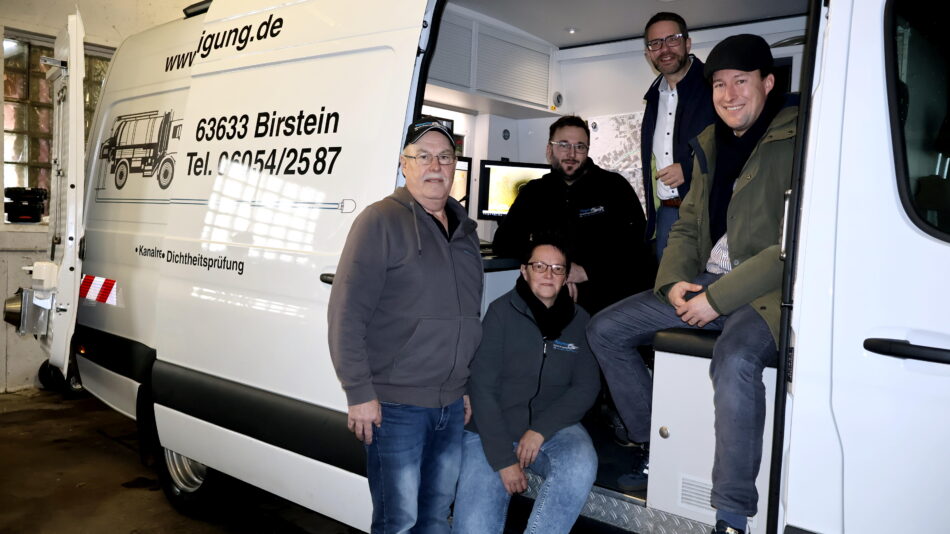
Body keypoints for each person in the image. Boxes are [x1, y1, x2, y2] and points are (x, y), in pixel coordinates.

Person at [588, 34, 798, 534]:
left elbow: (792, 243)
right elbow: (685, 226)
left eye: (741, 81)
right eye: (720, 84)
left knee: (737, 359)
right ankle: (651, 442)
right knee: (605, 330)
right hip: (709, 279)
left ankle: (731, 515)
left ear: (768, 83)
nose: (729, 95)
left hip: (764, 292)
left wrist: (715, 300)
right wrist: (674, 284)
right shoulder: (708, 143)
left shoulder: (800, 138)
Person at [327, 116, 483, 534]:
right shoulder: (379, 221)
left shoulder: (466, 232)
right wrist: (359, 392)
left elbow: (466, 318)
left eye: (445, 157)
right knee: (399, 523)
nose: (435, 166)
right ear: (404, 164)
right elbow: (346, 313)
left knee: (435, 517)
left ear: (455, 166)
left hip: (451, 405)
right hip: (396, 407)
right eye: (423, 156)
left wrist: (464, 385)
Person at [453, 238, 600, 534]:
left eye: (557, 269)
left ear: (566, 277)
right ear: (524, 271)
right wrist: (503, 460)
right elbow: (482, 388)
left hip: (553, 427)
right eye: (539, 266)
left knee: (581, 463)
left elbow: (586, 387)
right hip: (491, 429)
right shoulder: (500, 313)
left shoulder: (580, 320)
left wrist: (540, 430)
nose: (548, 274)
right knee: (473, 527)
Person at [492, 115, 653, 315]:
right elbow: (503, 242)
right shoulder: (534, 192)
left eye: (580, 147)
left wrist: (586, 271)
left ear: (587, 151)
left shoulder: (614, 187)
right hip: (548, 295)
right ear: (549, 150)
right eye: (563, 145)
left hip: (605, 298)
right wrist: (555, 267)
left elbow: (638, 250)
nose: (572, 153)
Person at [641, 12, 716, 261]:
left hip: (710, 212)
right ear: (648, 53)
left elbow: (733, 143)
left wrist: (689, 168)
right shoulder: (653, 99)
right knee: (667, 284)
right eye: (656, 43)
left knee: (712, 281)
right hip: (668, 214)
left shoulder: (714, 87)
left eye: (672, 39)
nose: (664, 49)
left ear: (688, 43)